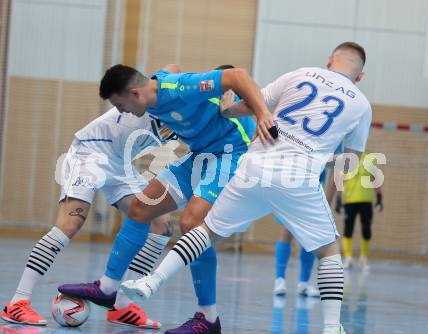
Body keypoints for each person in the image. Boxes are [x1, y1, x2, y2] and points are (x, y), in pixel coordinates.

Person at [121, 42, 372, 334]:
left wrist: (226, 111)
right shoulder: (361, 104)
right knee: (328, 251)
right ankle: (331, 328)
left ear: (330, 60)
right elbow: (351, 162)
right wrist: (327, 158)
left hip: (255, 166)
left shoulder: (301, 74)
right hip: (299, 177)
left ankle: (151, 281)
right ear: (360, 76)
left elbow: (249, 105)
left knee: (205, 231)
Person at [58, 63, 274, 334]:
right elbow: (170, 67)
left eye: (120, 105)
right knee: (140, 207)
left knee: (192, 224)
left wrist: (264, 113)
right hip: (198, 154)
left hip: (229, 154)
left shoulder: (180, 89)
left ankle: (208, 318)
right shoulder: (152, 93)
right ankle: (108, 287)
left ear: (135, 94)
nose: (121, 112)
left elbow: (236, 75)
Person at [1, 102, 176, 329]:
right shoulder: (180, 91)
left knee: (160, 222)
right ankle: (17, 302)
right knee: (71, 223)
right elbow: (171, 68)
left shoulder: (199, 121)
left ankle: (122, 306)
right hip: (89, 154)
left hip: (120, 163)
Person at [273, 144, 343, 297]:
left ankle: (302, 283)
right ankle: (280, 280)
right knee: (287, 232)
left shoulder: (336, 136)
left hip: (313, 189)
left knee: (310, 237)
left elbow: (338, 166)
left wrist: (328, 202)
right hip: (292, 185)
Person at [335, 151, 383, 270]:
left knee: (366, 228)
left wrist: (379, 197)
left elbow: (375, 179)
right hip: (350, 201)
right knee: (348, 229)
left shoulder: (370, 159)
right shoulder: (347, 160)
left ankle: (364, 258)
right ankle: (348, 258)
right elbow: (341, 180)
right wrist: (338, 199)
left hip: (366, 201)